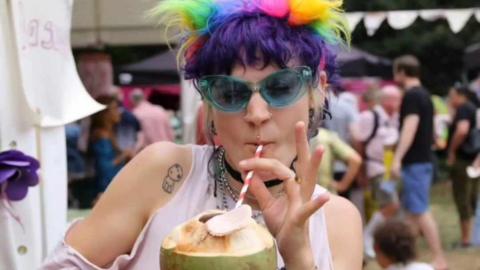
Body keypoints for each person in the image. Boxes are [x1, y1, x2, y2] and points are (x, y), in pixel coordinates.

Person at [41, 0, 362, 269]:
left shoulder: (336, 219)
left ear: (316, 89)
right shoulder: (165, 174)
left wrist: (299, 259)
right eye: (229, 92)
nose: (257, 114)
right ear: (208, 103)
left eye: (281, 86)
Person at [391, 55, 447, 270]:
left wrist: (397, 158)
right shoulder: (425, 95)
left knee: (420, 211)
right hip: (423, 160)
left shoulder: (412, 96)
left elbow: (410, 127)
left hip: (415, 161)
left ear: (403, 72)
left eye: (396, 72)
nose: (395, 76)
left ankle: (439, 258)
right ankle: (404, 258)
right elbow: (431, 129)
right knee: (411, 213)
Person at [353, 85, 402, 259]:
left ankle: (385, 243)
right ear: (385, 100)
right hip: (377, 168)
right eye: (395, 99)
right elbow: (359, 144)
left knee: (391, 208)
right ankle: (367, 237)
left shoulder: (396, 118)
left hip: (393, 169)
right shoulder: (369, 116)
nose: (398, 103)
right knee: (391, 205)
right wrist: (361, 172)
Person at [447, 84, 479, 247]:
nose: (450, 99)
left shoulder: (464, 109)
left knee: (463, 198)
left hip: (464, 160)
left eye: (451, 96)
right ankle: (471, 236)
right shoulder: (473, 108)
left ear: (460, 95)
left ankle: (466, 239)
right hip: (474, 160)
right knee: (471, 197)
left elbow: (462, 130)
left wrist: (452, 150)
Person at [89, 96, 134, 195]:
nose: (118, 112)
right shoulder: (101, 136)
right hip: (106, 189)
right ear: (104, 114)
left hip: (113, 187)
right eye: (114, 109)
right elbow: (105, 168)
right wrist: (124, 155)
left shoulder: (109, 133)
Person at [310, 127, 362, 194]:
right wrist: (342, 186)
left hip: (301, 195)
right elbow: (355, 160)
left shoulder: (294, 137)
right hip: (327, 194)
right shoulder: (326, 136)